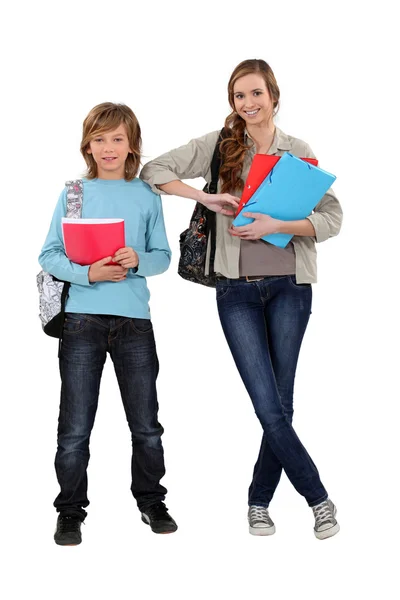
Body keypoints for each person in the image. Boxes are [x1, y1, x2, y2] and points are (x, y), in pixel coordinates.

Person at [140, 59, 343, 540]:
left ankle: (258, 502)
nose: (248, 104)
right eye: (238, 97)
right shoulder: (219, 146)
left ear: (274, 96)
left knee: (282, 403)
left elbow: (332, 218)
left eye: (256, 94)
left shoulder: (299, 151)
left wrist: (278, 226)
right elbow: (153, 170)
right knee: (267, 404)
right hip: (236, 291)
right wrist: (205, 198)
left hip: (291, 285)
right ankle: (319, 498)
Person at [39, 102, 177, 545]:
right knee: (75, 426)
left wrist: (137, 260)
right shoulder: (74, 192)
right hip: (82, 319)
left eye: (118, 138)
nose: (108, 147)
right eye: (99, 139)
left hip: (135, 321)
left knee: (146, 424)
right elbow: (49, 255)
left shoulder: (146, 194)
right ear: (87, 145)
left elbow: (163, 258)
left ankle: (151, 499)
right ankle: (70, 510)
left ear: (132, 145)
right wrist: (89, 273)